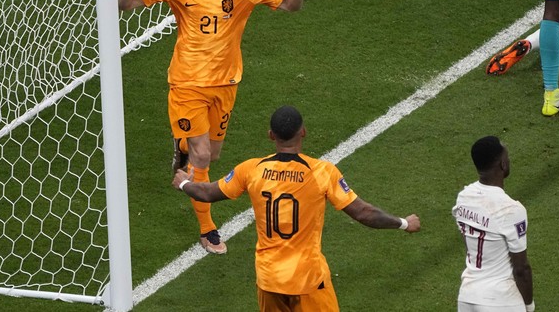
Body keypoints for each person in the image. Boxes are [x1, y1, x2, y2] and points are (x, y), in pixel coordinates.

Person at [118, 0, 308, 254]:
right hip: (187, 81)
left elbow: (292, 7)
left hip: (225, 83)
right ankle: (208, 230)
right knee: (203, 157)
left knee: (212, 153)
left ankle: (184, 150)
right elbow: (125, 5)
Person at [173, 105, 421, 310]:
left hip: (269, 280)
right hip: (308, 280)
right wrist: (403, 223)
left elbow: (207, 192)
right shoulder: (321, 172)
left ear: (271, 135)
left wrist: (184, 182)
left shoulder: (251, 170)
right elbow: (363, 213)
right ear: (303, 132)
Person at [453, 136, 534, 312]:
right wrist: (529, 305)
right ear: (503, 164)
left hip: (467, 296)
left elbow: (468, 240)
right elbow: (522, 269)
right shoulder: (511, 209)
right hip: (500, 300)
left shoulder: (464, 197)